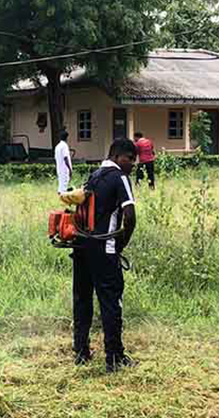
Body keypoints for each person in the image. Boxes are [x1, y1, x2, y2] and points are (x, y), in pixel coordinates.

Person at [72, 138, 137, 373]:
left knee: (82, 299)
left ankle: (81, 352)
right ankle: (114, 358)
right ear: (119, 156)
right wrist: (120, 245)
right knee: (111, 302)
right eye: (131, 159)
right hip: (104, 248)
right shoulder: (120, 177)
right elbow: (130, 217)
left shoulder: (93, 175)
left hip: (80, 246)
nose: (132, 165)